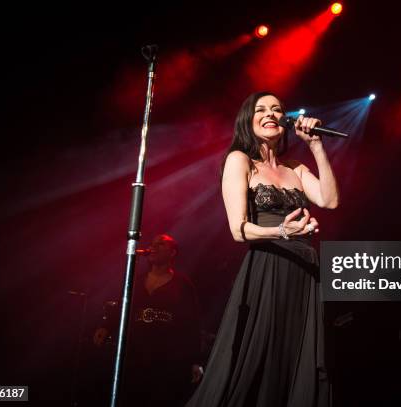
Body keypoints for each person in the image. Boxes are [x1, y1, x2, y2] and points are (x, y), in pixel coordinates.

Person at [186, 91, 339, 407]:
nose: (270, 113)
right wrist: (282, 230)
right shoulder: (240, 160)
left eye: (277, 109)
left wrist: (316, 146)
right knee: (258, 359)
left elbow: (329, 199)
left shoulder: (295, 168)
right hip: (267, 268)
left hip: (305, 273)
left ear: (285, 121)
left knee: (297, 357)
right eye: (261, 109)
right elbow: (238, 229)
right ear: (247, 119)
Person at [93, 234, 203, 407]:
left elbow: (192, 325)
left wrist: (196, 360)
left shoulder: (183, 284)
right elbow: (123, 307)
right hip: (134, 354)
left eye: (161, 244)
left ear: (172, 252)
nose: (154, 247)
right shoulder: (136, 280)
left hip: (166, 359)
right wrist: (106, 326)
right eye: (152, 244)